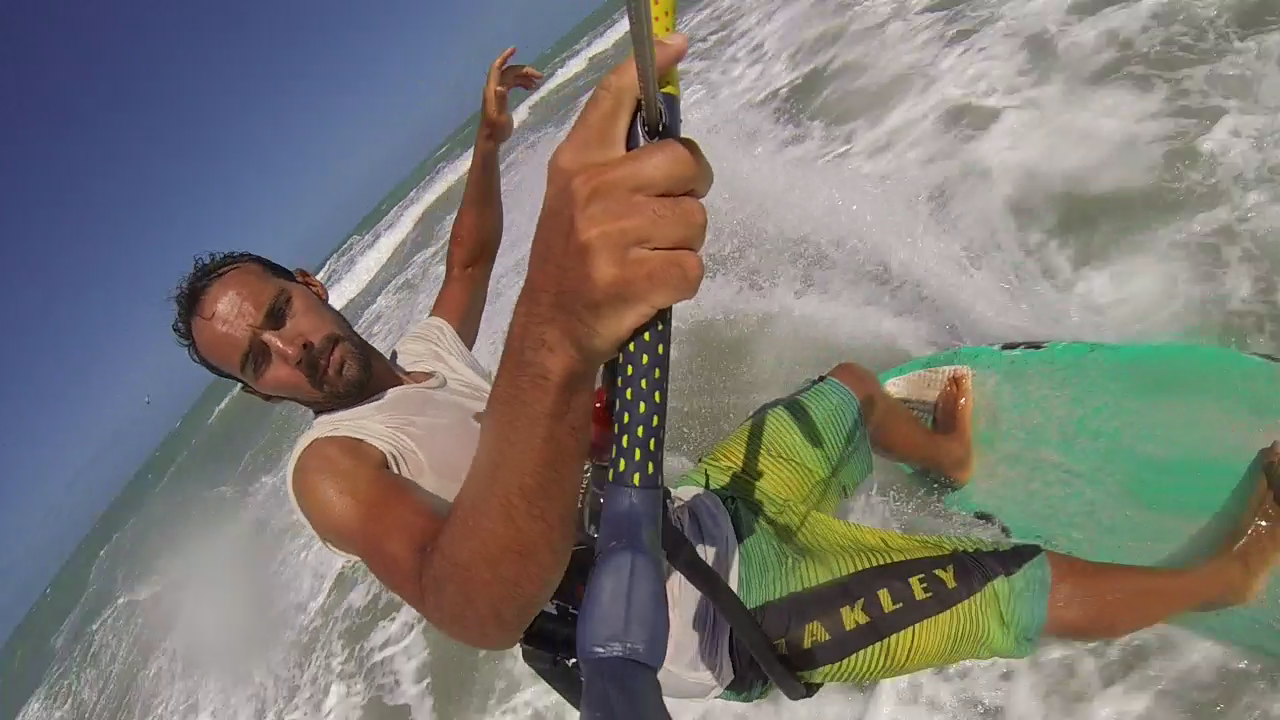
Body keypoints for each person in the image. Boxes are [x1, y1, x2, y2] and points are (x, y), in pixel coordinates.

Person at [169, 36, 1280, 706]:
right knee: (1015, 593)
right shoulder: (335, 470)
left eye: (278, 313)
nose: (289, 349)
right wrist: (555, 341)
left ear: (312, 284)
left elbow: (466, 256)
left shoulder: (419, 355)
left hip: (706, 511)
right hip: (714, 613)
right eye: (257, 361)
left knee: (852, 385)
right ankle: (1221, 578)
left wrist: (488, 136)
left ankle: (936, 452)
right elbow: (475, 604)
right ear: (259, 394)